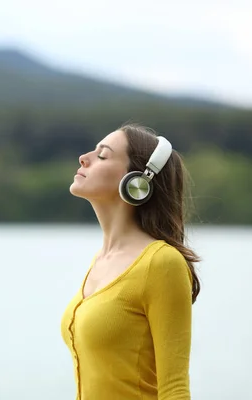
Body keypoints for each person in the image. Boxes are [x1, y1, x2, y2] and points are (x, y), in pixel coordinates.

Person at [60, 123, 201, 400]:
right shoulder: (99, 261)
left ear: (137, 182)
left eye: (102, 155)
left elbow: (174, 389)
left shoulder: (161, 263)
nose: (84, 158)